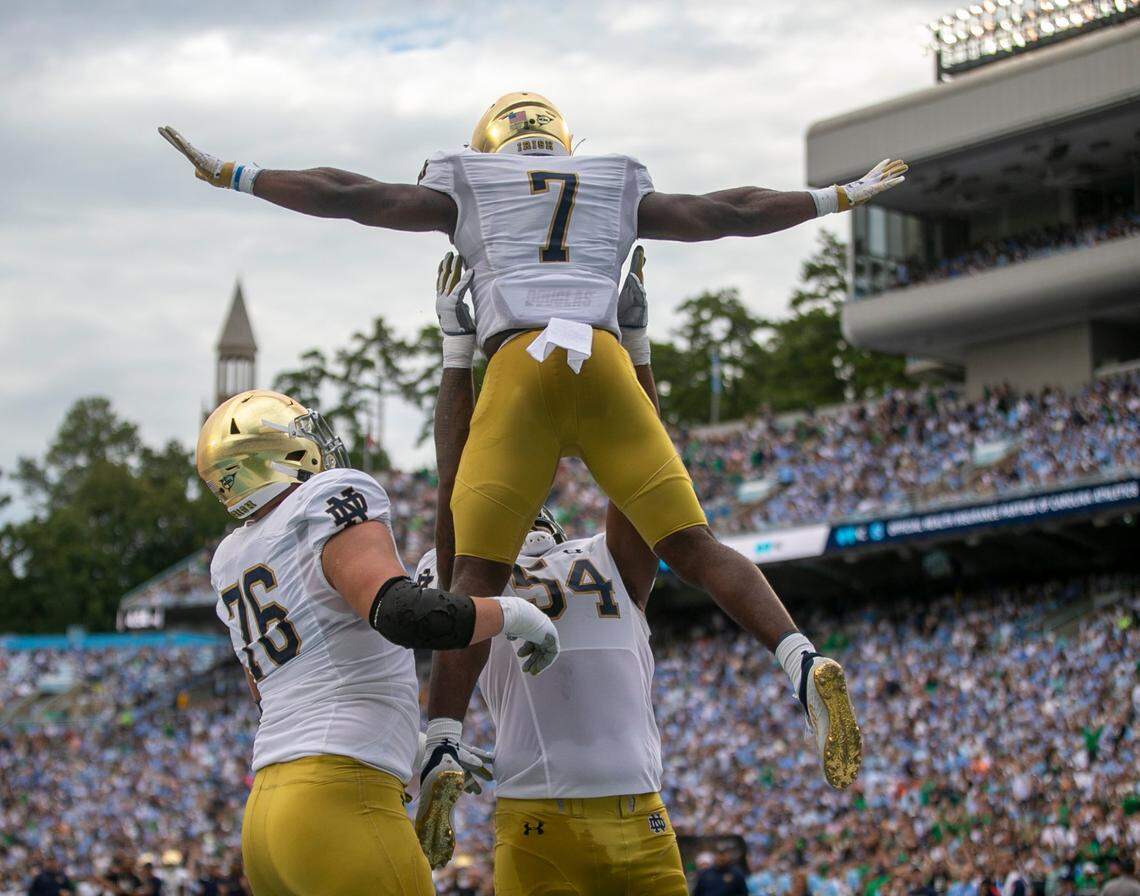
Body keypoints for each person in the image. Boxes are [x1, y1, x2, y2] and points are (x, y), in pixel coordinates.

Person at [161, 91, 898, 795]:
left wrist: (239, 174)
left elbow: (351, 194)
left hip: (520, 363)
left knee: (472, 577)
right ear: (562, 139)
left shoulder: (472, 180)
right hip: (606, 361)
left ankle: (445, 738)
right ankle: (800, 659)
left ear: (488, 144)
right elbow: (725, 211)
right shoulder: (613, 179)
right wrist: (834, 197)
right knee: (695, 545)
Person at [196, 389, 561, 896]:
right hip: (340, 799)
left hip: (268, 816)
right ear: (278, 455)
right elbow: (403, 612)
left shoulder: (232, 556)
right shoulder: (326, 498)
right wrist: (513, 613)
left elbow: (271, 693)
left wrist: (404, 743)